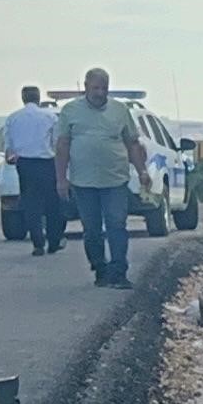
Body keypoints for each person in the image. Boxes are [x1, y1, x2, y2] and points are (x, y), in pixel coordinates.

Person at [52, 67, 145, 289]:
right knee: (92, 228)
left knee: (117, 224)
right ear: (85, 87)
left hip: (115, 180)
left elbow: (132, 143)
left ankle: (119, 272)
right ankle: (99, 268)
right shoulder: (70, 111)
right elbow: (62, 145)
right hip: (83, 182)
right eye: (95, 88)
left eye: (104, 88)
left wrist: (142, 171)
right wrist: (61, 179)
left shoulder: (120, 110)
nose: (100, 93)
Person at [1, 83, 61, 254]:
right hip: (46, 163)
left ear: (23, 98)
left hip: (25, 164)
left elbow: (8, 146)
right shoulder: (50, 117)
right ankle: (54, 241)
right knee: (52, 204)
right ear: (39, 98)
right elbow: (56, 142)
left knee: (31, 204)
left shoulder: (13, 118)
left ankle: (38, 243)